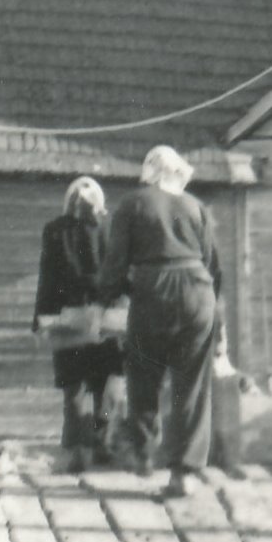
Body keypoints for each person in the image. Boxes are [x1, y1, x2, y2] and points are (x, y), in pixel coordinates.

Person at [98, 144, 222, 497]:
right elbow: (213, 264)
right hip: (198, 291)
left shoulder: (133, 204)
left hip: (154, 289)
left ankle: (143, 452)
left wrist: (110, 295)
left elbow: (115, 262)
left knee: (143, 371)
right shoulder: (196, 206)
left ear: (148, 172)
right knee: (191, 385)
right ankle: (184, 474)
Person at [31, 177, 123, 473]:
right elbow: (121, 274)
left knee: (75, 386)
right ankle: (103, 441)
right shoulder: (111, 228)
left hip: (69, 317)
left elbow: (47, 278)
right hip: (106, 317)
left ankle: (80, 450)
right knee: (108, 385)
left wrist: (40, 319)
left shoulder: (54, 231)